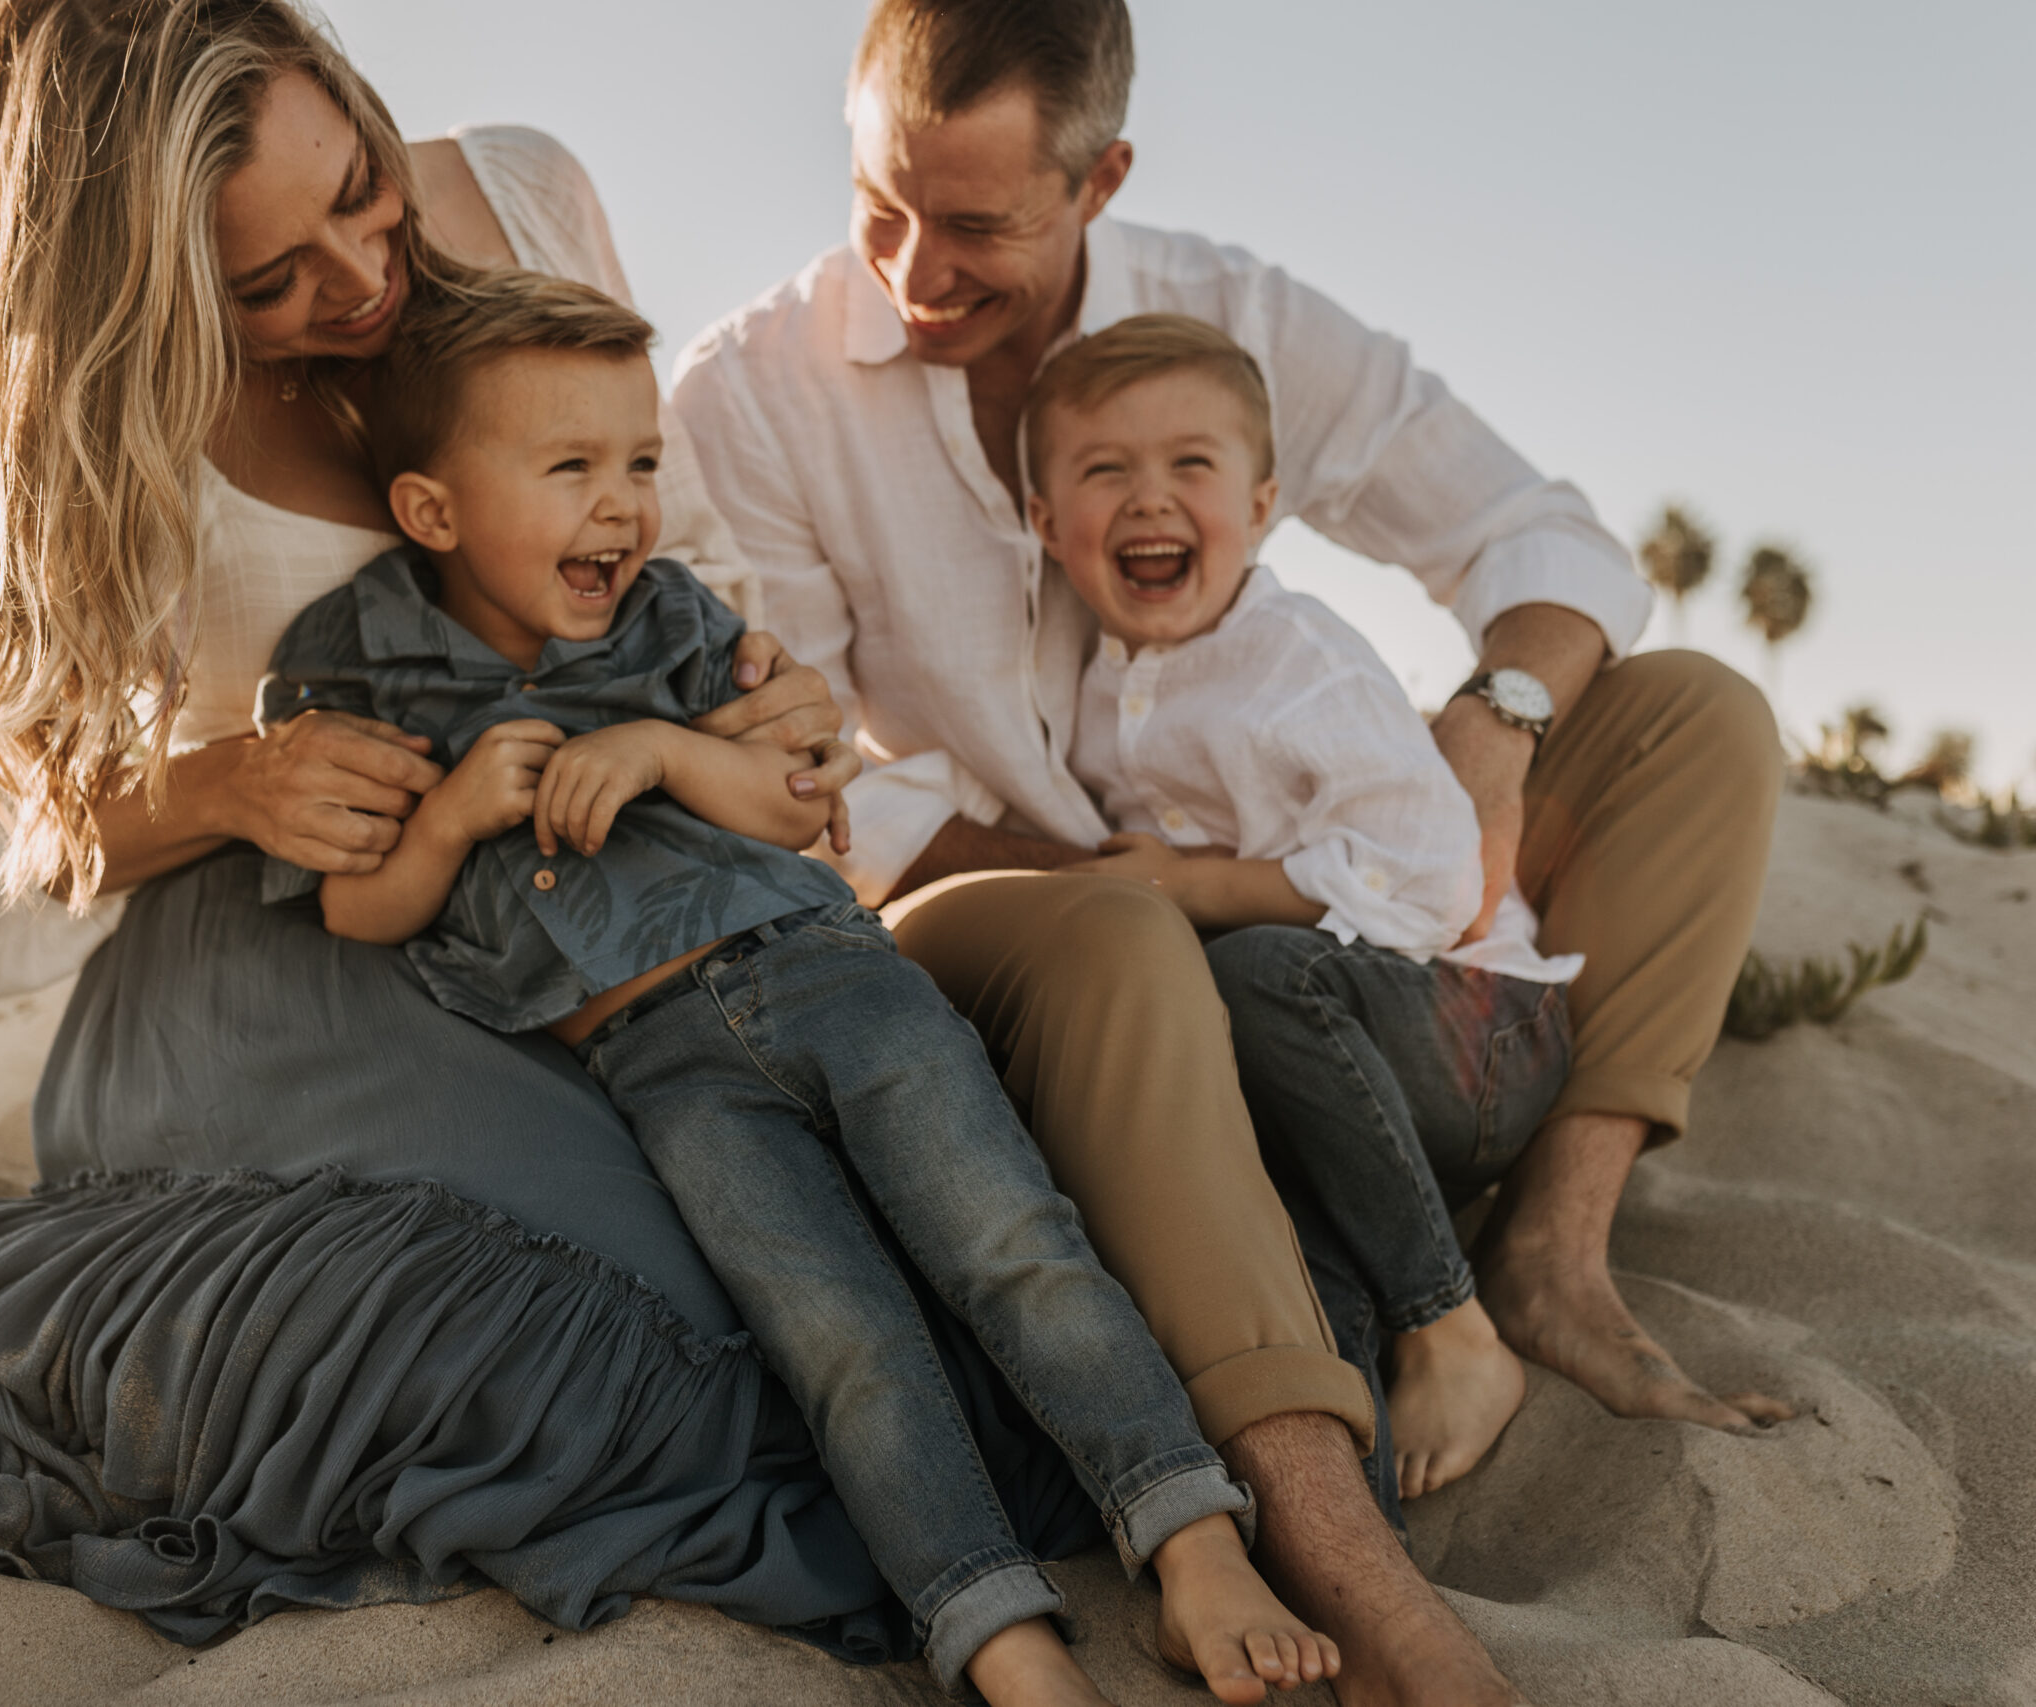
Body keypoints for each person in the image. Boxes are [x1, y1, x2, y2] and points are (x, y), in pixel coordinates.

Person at [0, 0, 914, 1653]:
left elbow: (659, 544)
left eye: (357, 187)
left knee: (862, 1318)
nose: (359, 279)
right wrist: (215, 782)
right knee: (657, 1361)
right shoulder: (34, 405)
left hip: (579, 914)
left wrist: (758, 701)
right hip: (271, 967)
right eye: (266, 281)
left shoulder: (525, 193)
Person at [672, 0, 1784, 1694]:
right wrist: (1124, 884)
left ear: (1102, 178)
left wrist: (1489, 724)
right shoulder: (756, 393)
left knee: (1696, 712)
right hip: (991, 902)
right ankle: (1340, 1536)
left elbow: (1539, 534)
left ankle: (1553, 1251)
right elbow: (816, 784)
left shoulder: (1236, 318)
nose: (912, 270)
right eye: (879, 204)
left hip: (1300, 901)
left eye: (976, 226)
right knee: (1131, 943)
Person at [255, 267, 1337, 1707]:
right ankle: (998, 1629)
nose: (621, 506)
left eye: (639, 462)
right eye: (569, 467)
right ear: (434, 510)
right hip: (656, 1060)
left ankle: (1192, 1538)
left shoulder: (670, 621)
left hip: (826, 971)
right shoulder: (354, 664)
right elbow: (355, 903)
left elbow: (795, 796)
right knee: (841, 1336)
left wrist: (657, 752)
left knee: (1014, 1237)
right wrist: (451, 817)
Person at [1025, 313, 1582, 1502]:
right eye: (1104, 470)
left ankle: (1453, 1328)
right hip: (1327, 1076)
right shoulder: (1086, 686)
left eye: (1191, 466)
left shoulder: (1299, 661)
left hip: (1477, 1029)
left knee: (1254, 974)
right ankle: (1345, 1486)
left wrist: (1191, 885)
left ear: (1264, 501)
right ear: (1043, 524)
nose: (1149, 500)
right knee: (1264, 1211)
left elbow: (1437, 881)